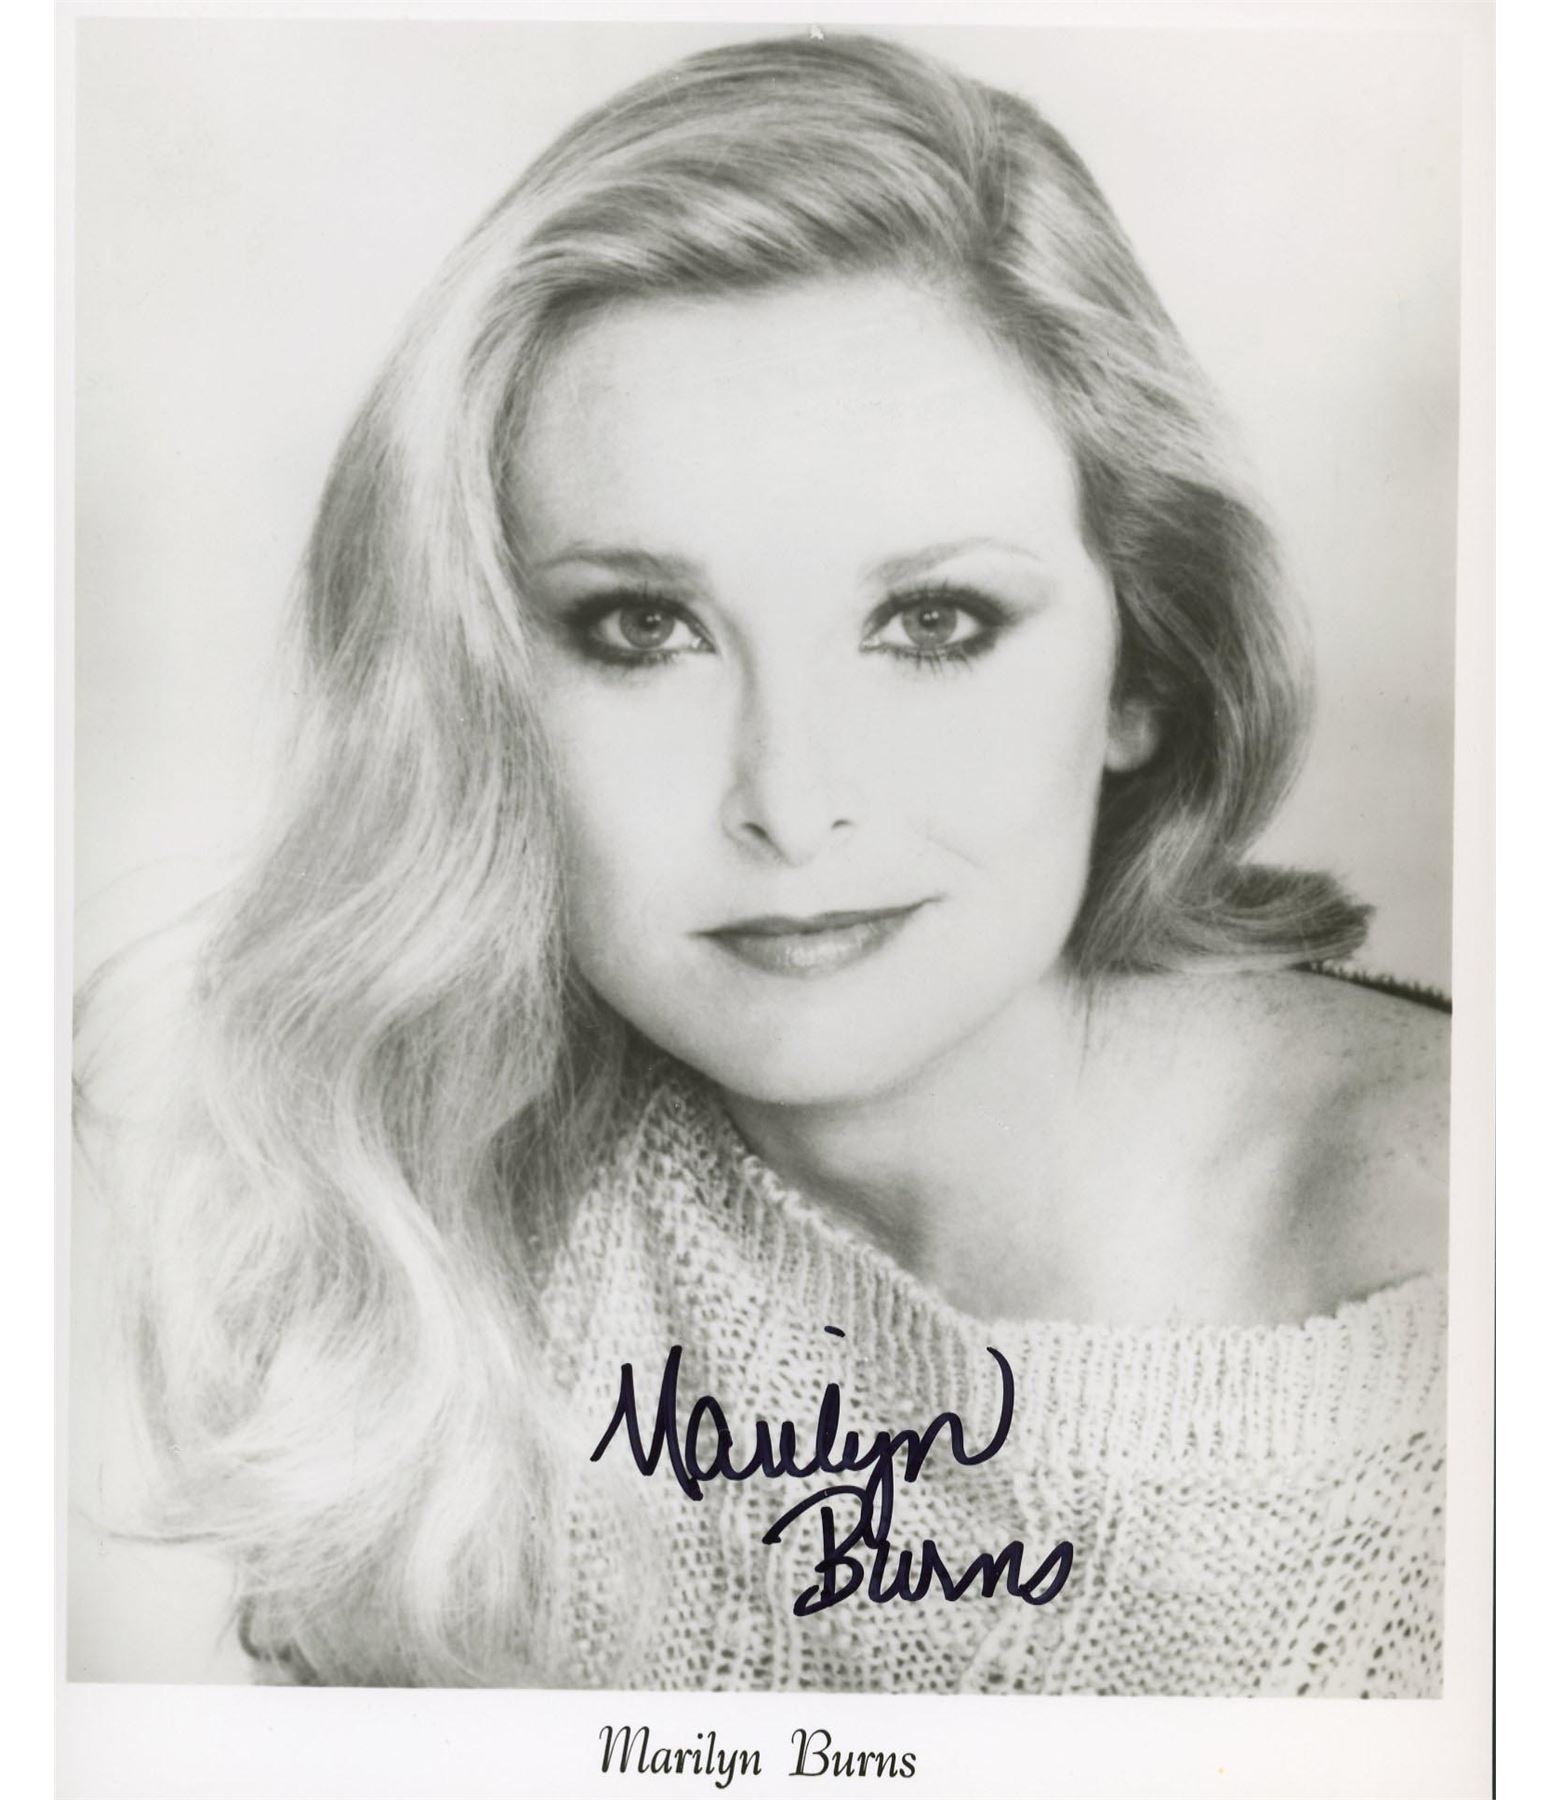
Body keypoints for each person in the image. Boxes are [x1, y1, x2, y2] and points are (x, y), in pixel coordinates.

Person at [76, 29, 1449, 1695]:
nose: (791, 803)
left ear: (1144, 668)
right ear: (479, 691)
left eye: (932, 622)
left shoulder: (1465, 1286)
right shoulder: (432, 1223)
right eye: (640, 628)